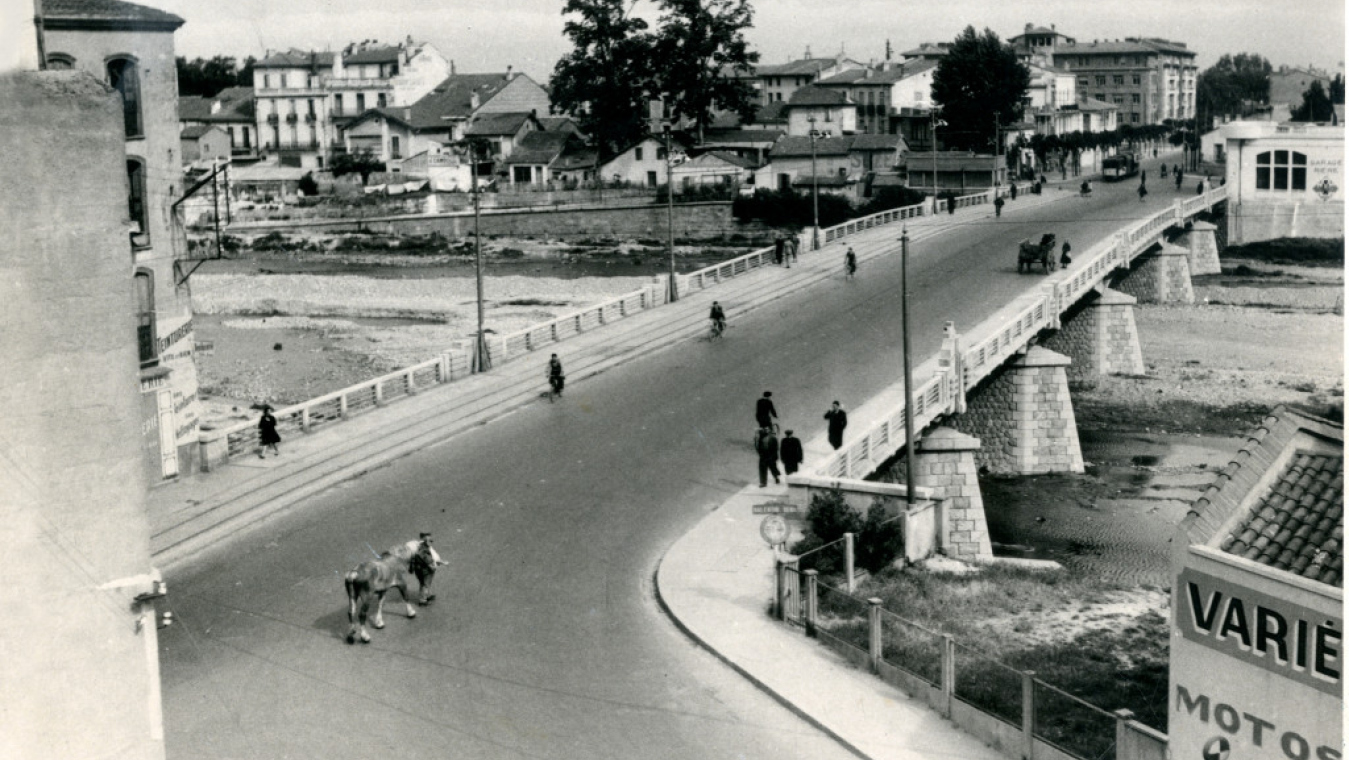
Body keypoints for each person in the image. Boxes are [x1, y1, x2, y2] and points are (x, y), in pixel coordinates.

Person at [398, 532, 447, 605]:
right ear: (425, 539)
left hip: (418, 570)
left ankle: (428, 595)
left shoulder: (417, 546)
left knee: (423, 583)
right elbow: (427, 558)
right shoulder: (423, 548)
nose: (431, 542)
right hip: (425, 570)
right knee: (425, 584)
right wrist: (434, 564)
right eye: (430, 540)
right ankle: (423, 600)